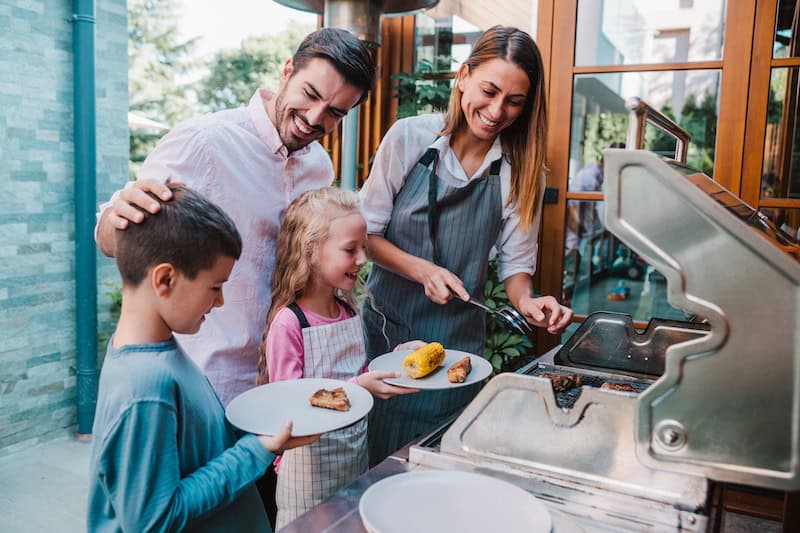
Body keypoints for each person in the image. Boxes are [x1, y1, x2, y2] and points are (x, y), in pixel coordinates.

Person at [94, 27, 376, 406]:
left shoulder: (319, 168)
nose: (314, 118)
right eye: (310, 95)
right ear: (288, 70)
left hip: (287, 377)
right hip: (210, 381)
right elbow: (113, 239)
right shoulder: (205, 141)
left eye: (335, 113)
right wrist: (117, 216)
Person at [359, 25, 573, 465]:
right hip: (387, 336)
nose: (497, 111)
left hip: (460, 354)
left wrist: (529, 303)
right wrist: (422, 271)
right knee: (378, 469)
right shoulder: (409, 139)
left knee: (438, 468)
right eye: (489, 91)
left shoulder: (520, 171)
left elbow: (516, 269)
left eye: (514, 101)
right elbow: (366, 234)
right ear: (463, 76)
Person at [88, 183, 319, 532]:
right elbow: (153, 520)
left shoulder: (161, 352)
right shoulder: (144, 387)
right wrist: (255, 450)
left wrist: (260, 433)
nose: (220, 302)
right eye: (215, 287)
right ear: (164, 279)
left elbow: (199, 447)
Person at [258, 187, 421, 528]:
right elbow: (291, 407)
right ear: (311, 252)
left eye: (363, 248)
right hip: (308, 470)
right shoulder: (289, 323)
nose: (363, 259)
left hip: (352, 458)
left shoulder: (347, 311)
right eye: (351, 250)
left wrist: (395, 361)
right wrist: (359, 386)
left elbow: (358, 373)